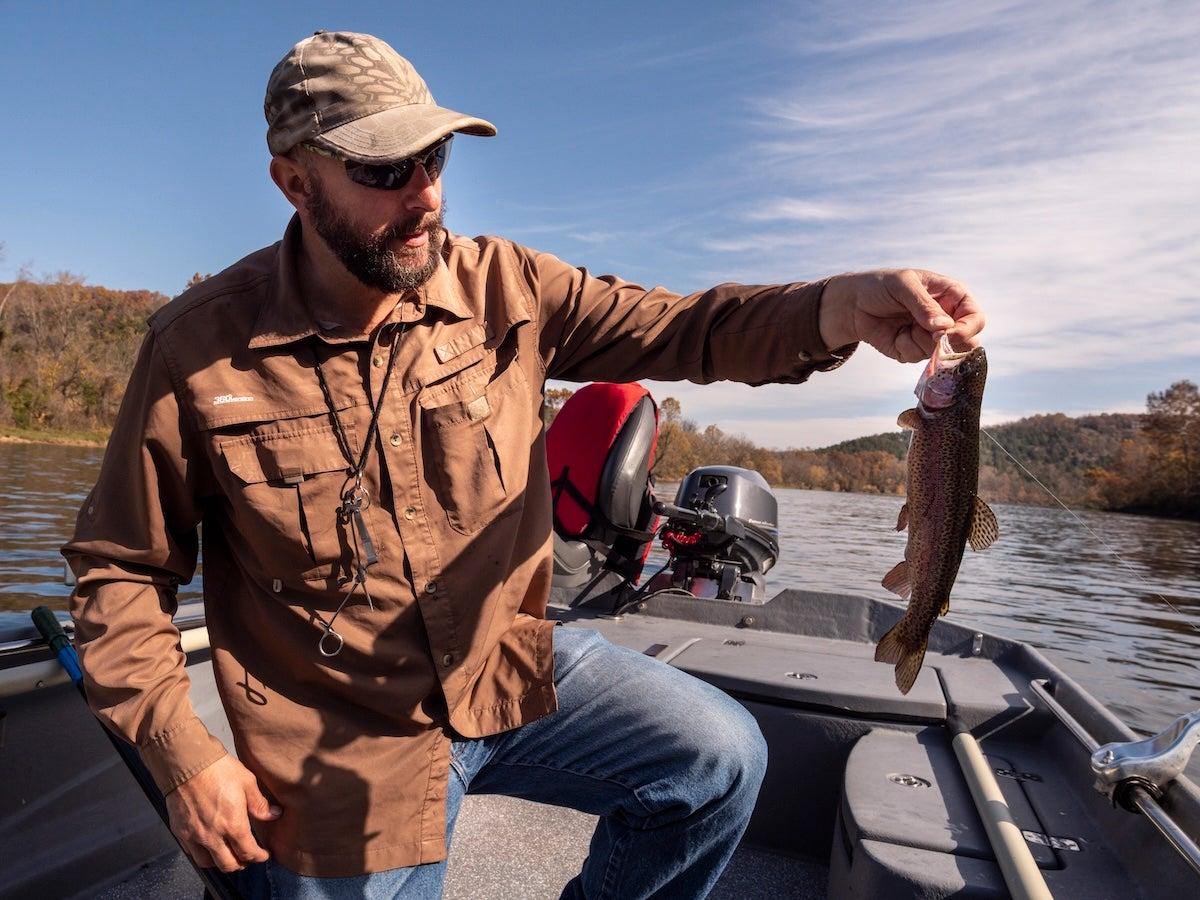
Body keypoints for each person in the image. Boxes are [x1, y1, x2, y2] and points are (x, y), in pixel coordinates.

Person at [63, 30, 984, 900]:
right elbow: (119, 569)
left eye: (436, 158)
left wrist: (840, 307)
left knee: (720, 757)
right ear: (294, 183)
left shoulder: (509, 284)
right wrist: (184, 754)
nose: (425, 194)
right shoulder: (197, 349)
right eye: (386, 170)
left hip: (505, 668)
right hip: (343, 737)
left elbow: (688, 327)